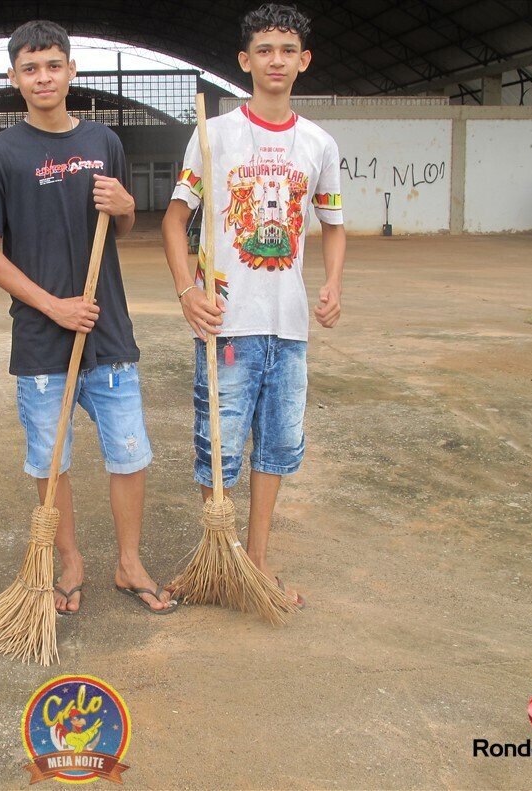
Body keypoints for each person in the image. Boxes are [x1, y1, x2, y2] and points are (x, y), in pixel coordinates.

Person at [0, 20, 176, 615]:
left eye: (52, 65)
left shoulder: (104, 141)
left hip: (107, 333)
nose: (43, 77)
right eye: (29, 69)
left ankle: (129, 563)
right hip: (40, 337)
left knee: (129, 452)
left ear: (71, 70)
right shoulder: (0, 154)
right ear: (13, 77)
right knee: (50, 461)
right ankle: (71, 561)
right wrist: (52, 305)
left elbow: (126, 226)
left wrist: (129, 206)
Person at [162, 2, 346, 604]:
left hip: (288, 324)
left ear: (304, 61)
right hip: (227, 324)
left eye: (287, 50)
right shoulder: (213, 136)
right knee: (218, 447)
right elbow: (175, 219)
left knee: (276, 445)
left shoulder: (319, 143)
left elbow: (333, 223)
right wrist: (188, 293)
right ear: (245, 61)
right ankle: (218, 557)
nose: (276, 60)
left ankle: (257, 562)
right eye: (264, 50)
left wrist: (333, 282)